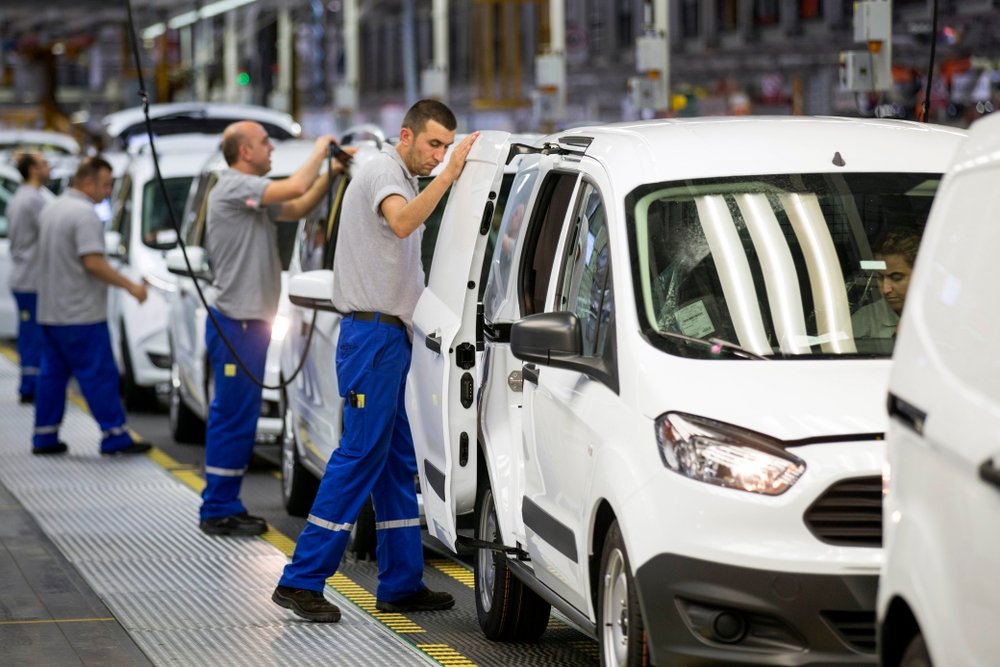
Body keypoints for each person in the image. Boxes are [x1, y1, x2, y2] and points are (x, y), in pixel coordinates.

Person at [272, 100, 479, 622]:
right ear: (406, 136)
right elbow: (404, 223)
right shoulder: (385, 172)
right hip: (372, 338)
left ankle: (401, 582)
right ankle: (301, 580)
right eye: (433, 144)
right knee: (362, 454)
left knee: (395, 464)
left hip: (391, 340)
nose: (439, 155)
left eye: (446, 147)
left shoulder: (404, 175)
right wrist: (450, 176)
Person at [199, 122, 348, 536]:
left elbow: (298, 206)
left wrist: (332, 175)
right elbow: (293, 186)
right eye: (265, 143)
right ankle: (217, 508)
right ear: (244, 151)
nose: (271, 151)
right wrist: (321, 151)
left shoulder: (252, 196)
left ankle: (225, 501)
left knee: (240, 415)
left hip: (249, 323)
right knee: (231, 416)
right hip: (235, 324)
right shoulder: (232, 186)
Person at [32, 156, 151, 456]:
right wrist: (132, 287)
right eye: (106, 184)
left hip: (51, 311)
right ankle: (114, 435)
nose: (109, 191)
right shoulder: (85, 214)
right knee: (98, 374)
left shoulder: (52, 208)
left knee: (52, 375)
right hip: (81, 313)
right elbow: (93, 262)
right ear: (88, 183)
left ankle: (44, 436)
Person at [7, 152, 51, 404]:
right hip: (31, 281)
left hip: (26, 278)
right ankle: (30, 387)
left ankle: (30, 384)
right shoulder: (32, 201)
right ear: (33, 170)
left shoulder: (24, 197)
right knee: (33, 336)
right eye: (44, 164)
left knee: (30, 334)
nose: (49, 168)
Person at [852, 230, 920, 339]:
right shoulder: (864, 319)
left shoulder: (947, 316)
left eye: (896, 278)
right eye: (880, 277)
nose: (885, 289)